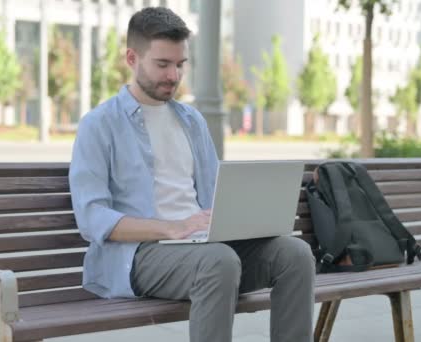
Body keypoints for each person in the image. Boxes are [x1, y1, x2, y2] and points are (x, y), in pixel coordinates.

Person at [69, 7, 315, 342]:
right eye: (162, 64)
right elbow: (92, 217)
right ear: (132, 58)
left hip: (204, 246)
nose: (173, 75)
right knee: (218, 261)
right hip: (141, 255)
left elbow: (216, 191)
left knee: (294, 254)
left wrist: (247, 217)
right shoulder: (99, 124)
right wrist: (171, 227)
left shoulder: (192, 121)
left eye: (180, 64)